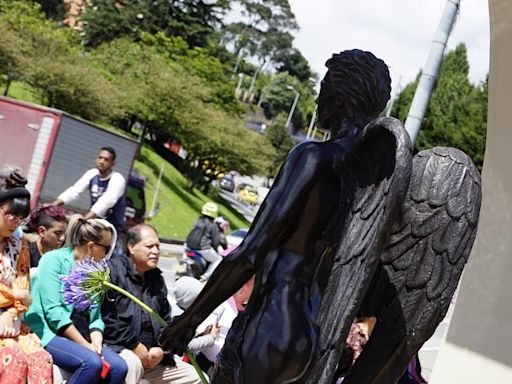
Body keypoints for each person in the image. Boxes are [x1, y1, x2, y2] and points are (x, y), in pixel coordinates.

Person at [159, 49, 392, 383]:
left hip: (269, 321)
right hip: (309, 334)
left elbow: (251, 250)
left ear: (340, 98)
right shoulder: (367, 181)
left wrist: (189, 320)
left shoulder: (312, 157)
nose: (317, 96)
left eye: (323, 87)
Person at [25, 215, 128, 384]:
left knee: (119, 368)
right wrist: (86, 346)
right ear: (91, 246)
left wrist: (96, 341)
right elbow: (54, 313)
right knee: (91, 363)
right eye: (107, 248)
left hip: (83, 334)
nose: (109, 253)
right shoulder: (53, 260)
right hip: (48, 331)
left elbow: (96, 318)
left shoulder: (95, 271)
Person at [101, 224, 201, 384]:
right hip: (120, 348)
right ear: (131, 247)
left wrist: (161, 349)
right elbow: (107, 319)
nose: (155, 251)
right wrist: (134, 344)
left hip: (153, 357)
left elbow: (165, 319)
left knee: (195, 377)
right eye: (149, 246)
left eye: (158, 247)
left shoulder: (157, 279)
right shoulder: (112, 272)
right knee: (132, 365)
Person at [0, 172, 54, 384]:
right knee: (15, 359)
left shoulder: (18, 245)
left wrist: (11, 312)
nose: (16, 223)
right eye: (11, 215)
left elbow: (25, 292)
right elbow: (18, 293)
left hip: (11, 320)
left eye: (21, 218)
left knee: (42, 359)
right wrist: (13, 296)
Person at [48, 146, 126, 236]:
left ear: (113, 163)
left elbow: (106, 201)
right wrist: (52, 206)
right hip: (95, 224)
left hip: (112, 228)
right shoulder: (92, 174)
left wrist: (84, 219)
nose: (101, 162)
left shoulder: (117, 179)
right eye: (100, 158)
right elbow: (75, 190)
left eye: (106, 159)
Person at [192, 277, 254, 376]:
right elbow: (201, 334)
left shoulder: (247, 311)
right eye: (253, 285)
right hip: (211, 366)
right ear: (244, 286)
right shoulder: (220, 305)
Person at [185, 202, 222, 281]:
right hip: (203, 248)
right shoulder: (213, 225)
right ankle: (205, 276)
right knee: (218, 259)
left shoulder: (198, 220)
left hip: (189, 246)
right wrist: (215, 249)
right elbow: (216, 241)